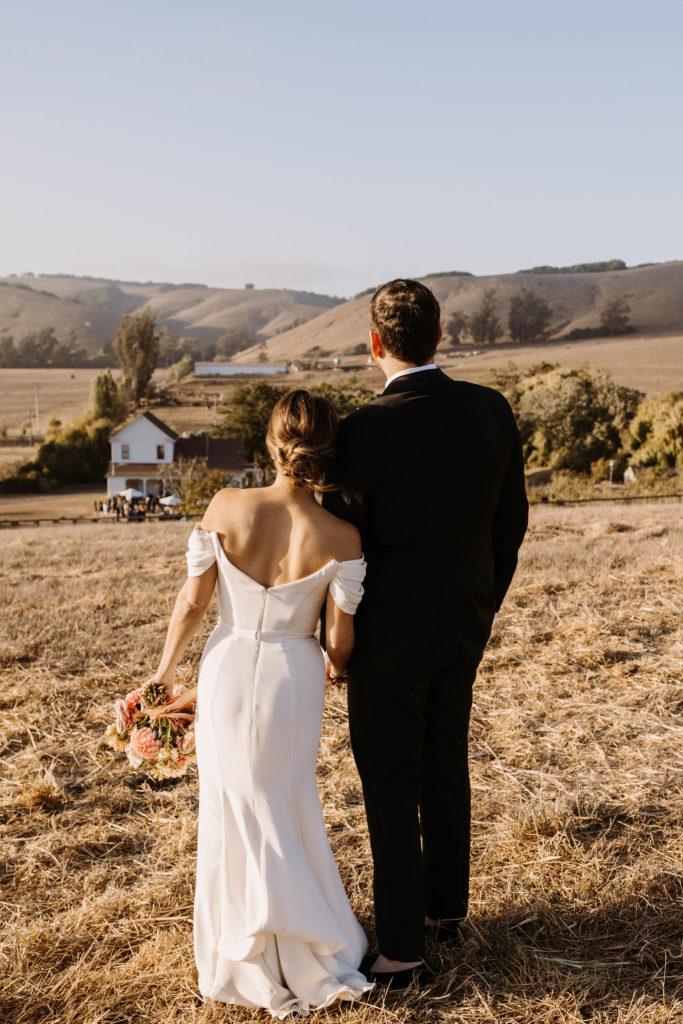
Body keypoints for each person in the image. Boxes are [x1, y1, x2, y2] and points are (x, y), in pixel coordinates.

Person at [323, 279, 529, 988]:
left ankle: (402, 949)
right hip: (463, 621)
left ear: (374, 345)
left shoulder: (355, 436)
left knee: (388, 783)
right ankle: (445, 912)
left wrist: (336, 638)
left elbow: (335, 547)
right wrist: (481, 603)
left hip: (383, 639)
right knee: (445, 763)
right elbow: (510, 524)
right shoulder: (490, 411)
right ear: (438, 338)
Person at [144, 390, 374, 1018]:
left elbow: (192, 604)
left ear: (271, 444)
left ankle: (238, 946)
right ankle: (301, 938)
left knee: (228, 803)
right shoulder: (342, 536)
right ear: (328, 452)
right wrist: (338, 665)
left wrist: (163, 676)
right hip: (292, 676)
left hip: (225, 667)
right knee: (287, 798)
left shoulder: (226, 505)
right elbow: (338, 639)